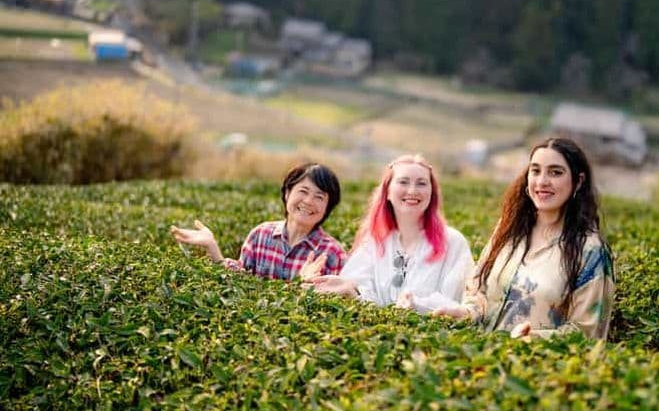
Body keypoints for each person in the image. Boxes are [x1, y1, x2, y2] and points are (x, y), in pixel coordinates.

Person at [435, 138, 615, 340]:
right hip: (482, 360)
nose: (542, 181)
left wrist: (534, 339)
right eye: (536, 171)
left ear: (578, 181)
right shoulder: (510, 228)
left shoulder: (591, 251)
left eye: (556, 172)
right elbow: (478, 288)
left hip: (535, 367)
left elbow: (588, 333)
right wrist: (467, 313)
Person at [305, 154, 474, 314]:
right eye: (403, 182)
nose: (412, 191)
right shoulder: (374, 240)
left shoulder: (453, 242)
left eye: (421, 183)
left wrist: (418, 305)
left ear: (432, 193)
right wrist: (350, 289)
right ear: (387, 192)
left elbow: (459, 302)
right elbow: (358, 290)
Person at [170, 162, 346, 280]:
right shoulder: (261, 235)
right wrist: (213, 248)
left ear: (328, 207)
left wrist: (309, 287)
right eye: (303, 191)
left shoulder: (332, 253)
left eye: (319, 197)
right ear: (287, 193)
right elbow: (240, 282)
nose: (308, 201)